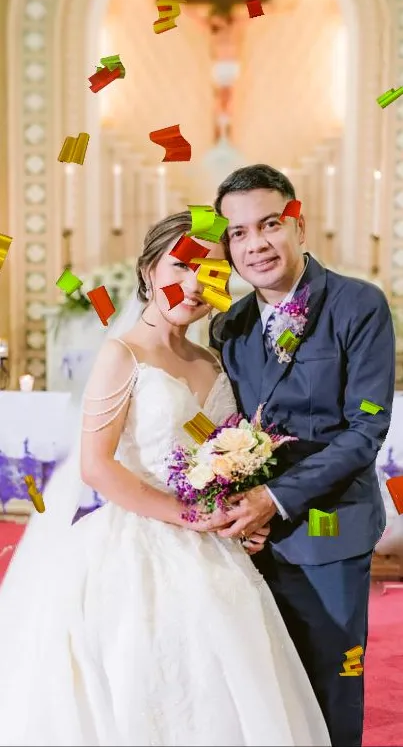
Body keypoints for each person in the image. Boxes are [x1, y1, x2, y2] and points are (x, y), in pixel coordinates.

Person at [0, 211, 330, 747]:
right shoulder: (122, 354)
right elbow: (97, 466)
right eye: (182, 266)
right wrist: (192, 515)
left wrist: (239, 508)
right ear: (150, 268)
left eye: (215, 275)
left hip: (213, 548)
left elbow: (217, 452)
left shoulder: (212, 362)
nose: (196, 285)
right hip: (135, 545)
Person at [209, 164, 395, 747]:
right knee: (266, 691)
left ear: (299, 224)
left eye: (269, 224)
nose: (255, 243)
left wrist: (275, 498)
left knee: (331, 688)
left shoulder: (358, 305)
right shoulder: (229, 325)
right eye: (238, 233)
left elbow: (365, 431)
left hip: (328, 528)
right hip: (250, 540)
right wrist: (236, 504)